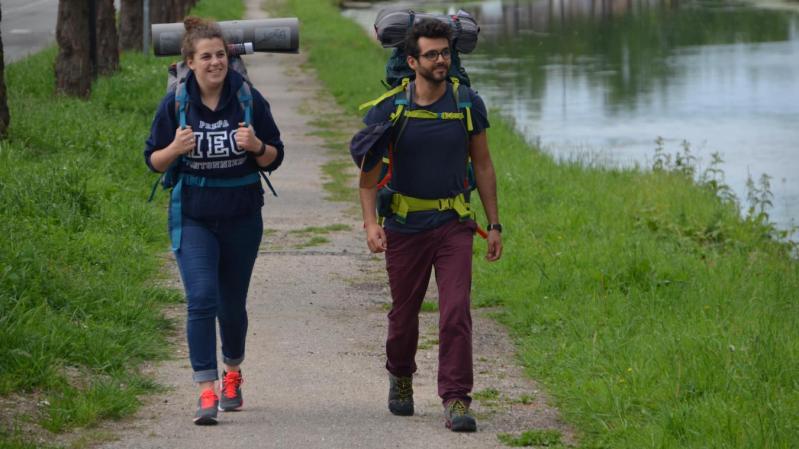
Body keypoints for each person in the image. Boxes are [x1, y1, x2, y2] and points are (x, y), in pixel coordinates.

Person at [358, 19, 502, 432]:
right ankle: (401, 374)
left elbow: (484, 164)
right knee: (404, 315)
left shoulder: (466, 103)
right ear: (412, 60)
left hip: (454, 223)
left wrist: (495, 224)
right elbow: (368, 176)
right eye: (432, 54)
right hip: (404, 225)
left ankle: (456, 398)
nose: (442, 60)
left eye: (445, 53)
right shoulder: (390, 109)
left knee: (455, 311)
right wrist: (371, 223)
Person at [144, 16, 284, 425]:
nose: (215, 63)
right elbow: (153, 160)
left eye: (220, 55)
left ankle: (233, 371)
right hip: (194, 218)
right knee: (201, 299)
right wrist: (175, 148)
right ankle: (206, 388)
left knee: (231, 306)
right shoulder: (175, 102)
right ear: (190, 61)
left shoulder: (247, 98)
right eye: (206, 56)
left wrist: (256, 145)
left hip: (242, 216)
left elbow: (276, 155)